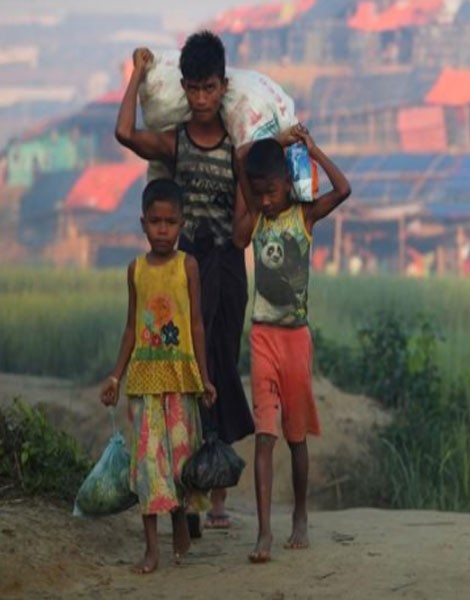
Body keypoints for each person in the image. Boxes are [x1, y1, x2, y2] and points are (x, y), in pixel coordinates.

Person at [115, 31, 254, 532]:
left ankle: (215, 491)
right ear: (184, 87)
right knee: (182, 372)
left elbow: (242, 229)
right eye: (192, 89)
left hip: (226, 271)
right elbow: (125, 133)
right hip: (181, 275)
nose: (199, 100)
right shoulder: (175, 142)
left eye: (209, 89)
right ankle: (184, 490)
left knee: (217, 369)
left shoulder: (238, 149)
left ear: (223, 87)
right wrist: (136, 74)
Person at [232, 126, 351, 563]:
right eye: (258, 192)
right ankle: (264, 533)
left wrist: (311, 150)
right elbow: (238, 163)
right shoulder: (256, 219)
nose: (265, 199)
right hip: (262, 334)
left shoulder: (304, 216)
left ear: (288, 182)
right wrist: (277, 142)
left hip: (296, 339)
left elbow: (344, 188)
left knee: (295, 437)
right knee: (265, 437)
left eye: (272, 190)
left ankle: (300, 514)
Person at [99, 178, 216, 574]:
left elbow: (196, 324)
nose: (162, 230)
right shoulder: (135, 270)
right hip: (145, 382)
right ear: (142, 223)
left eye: (170, 222)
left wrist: (204, 378)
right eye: (155, 222)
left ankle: (181, 520)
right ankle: (151, 549)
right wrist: (116, 377)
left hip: (182, 380)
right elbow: (131, 328)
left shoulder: (189, 266)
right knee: (148, 465)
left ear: (181, 224)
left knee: (181, 464)